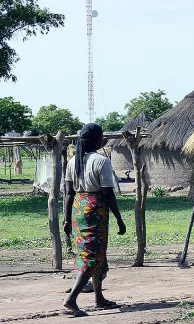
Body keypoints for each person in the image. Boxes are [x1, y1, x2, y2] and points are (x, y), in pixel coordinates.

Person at [63, 123, 127, 317]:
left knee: (96, 251)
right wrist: (119, 219)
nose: (102, 140)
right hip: (95, 209)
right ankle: (72, 299)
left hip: (78, 210)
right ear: (96, 140)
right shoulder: (102, 161)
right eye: (101, 137)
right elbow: (108, 194)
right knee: (93, 256)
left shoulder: (72, 161)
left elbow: (68, 193)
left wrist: (66, 220)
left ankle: (99, 298)